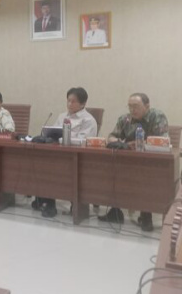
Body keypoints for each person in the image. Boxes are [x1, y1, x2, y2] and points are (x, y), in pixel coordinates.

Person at [99, 93, 169, 232]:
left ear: (147, 106)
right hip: (128, 160)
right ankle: (115, 211)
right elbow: (111, 137)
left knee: (144, 175)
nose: (132, 110)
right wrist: (122, 143)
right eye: (130, 106)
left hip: (151, 162)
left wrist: (139, 143)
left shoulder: (157, 116)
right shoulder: (124, 119)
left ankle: (146, 214)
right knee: (111, 169)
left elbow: (161, 140)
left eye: (136, 106)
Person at [36, 87, 98, 217]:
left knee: (56, 169)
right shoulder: (62, 116)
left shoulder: (89, 120)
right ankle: (47, 202)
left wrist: (65, 137)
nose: (69, 104)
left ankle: (71, 204)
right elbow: (53, 133)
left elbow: (83, 141)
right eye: (68, 100)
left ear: (83, 103)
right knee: (44, 165)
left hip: (78, 158)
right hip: (59, 154)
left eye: (73, 101)